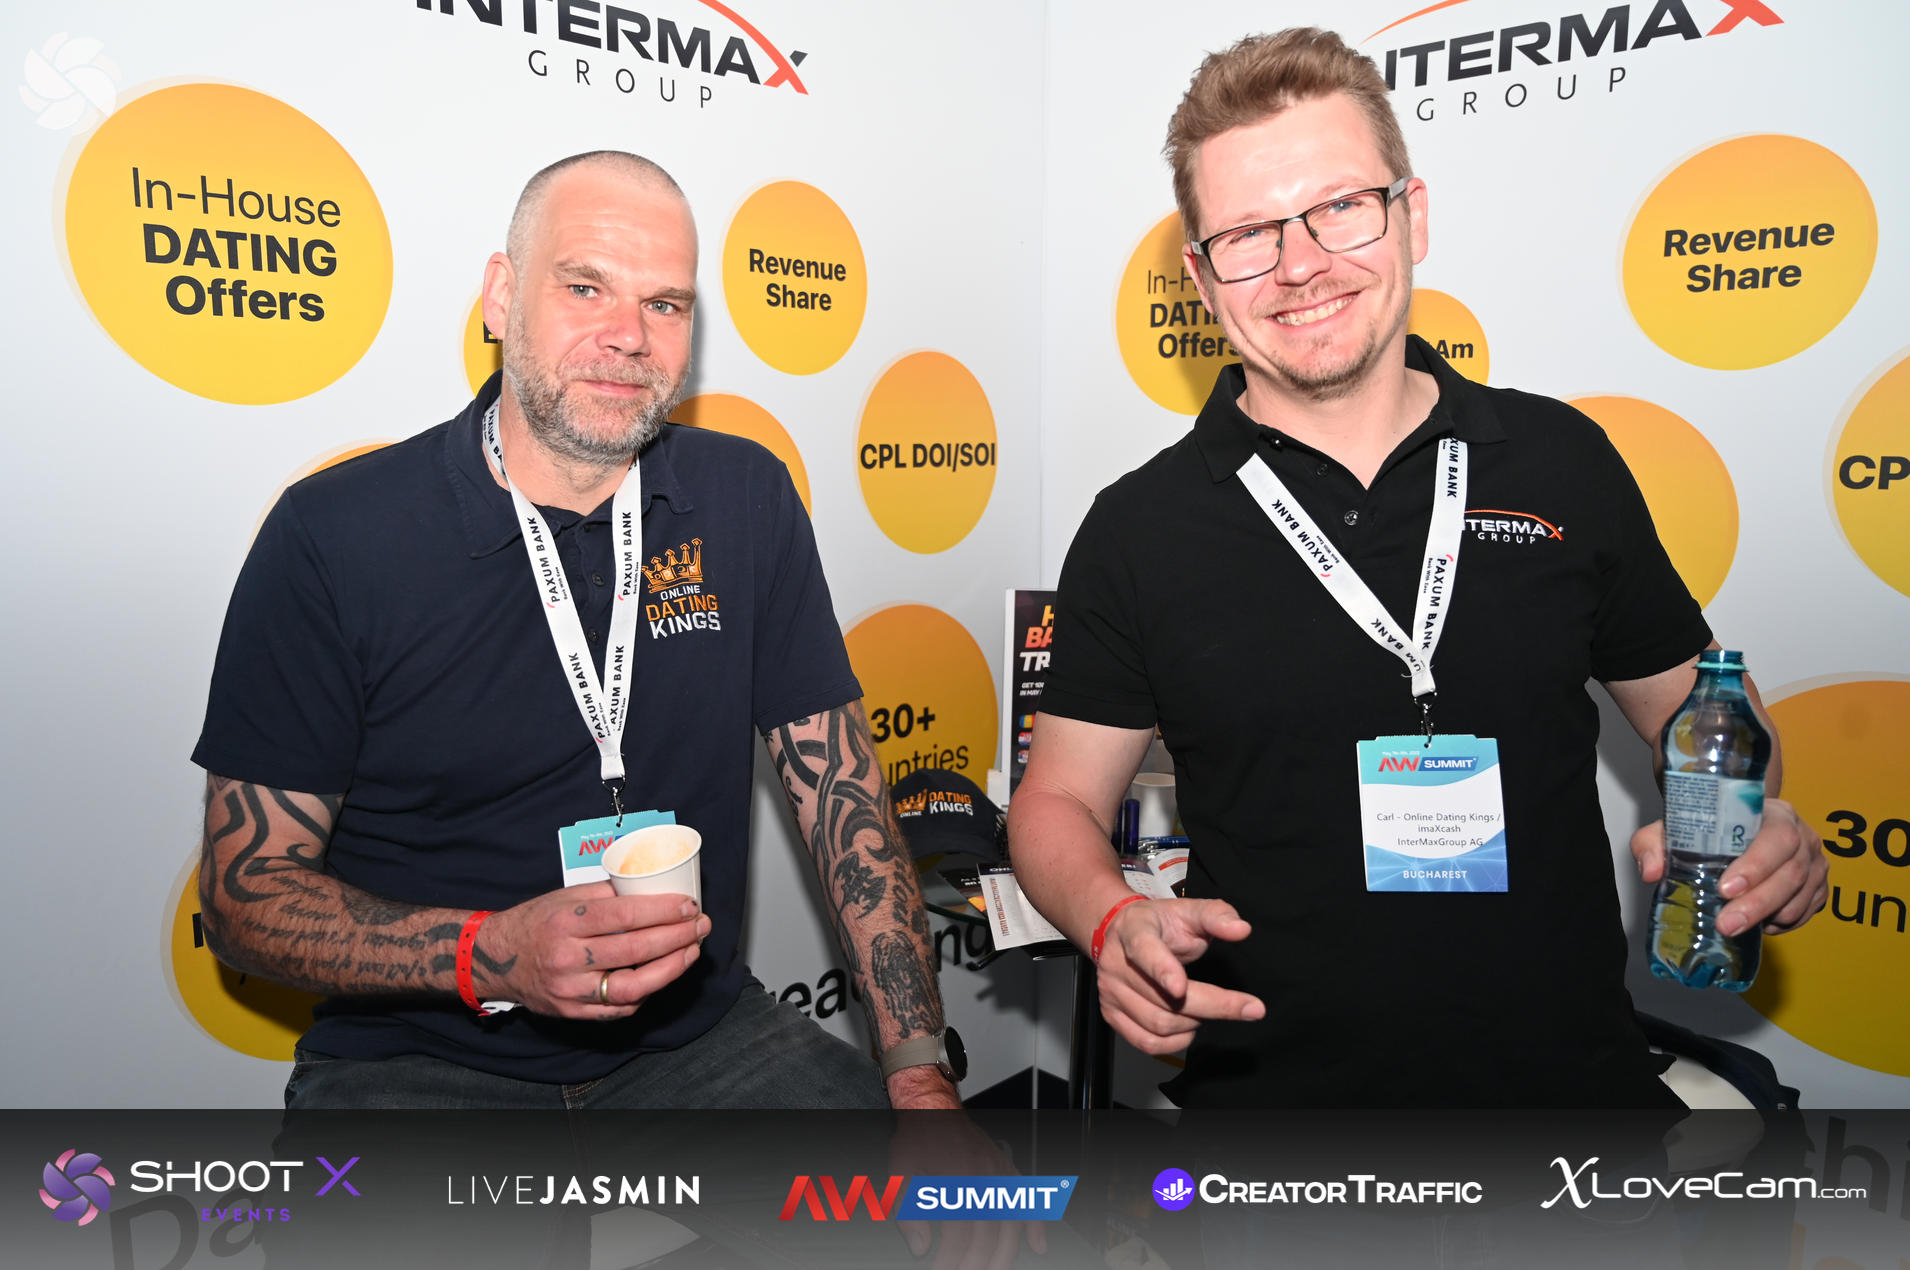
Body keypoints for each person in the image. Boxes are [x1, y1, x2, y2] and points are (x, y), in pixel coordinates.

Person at [1008, 29, 1829, 1108]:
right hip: (1272, 1121)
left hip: (1567, 1105)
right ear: (1202, 280)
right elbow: (1056, 800)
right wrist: (1111, 915)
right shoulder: (1138, 527)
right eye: (1248, 234)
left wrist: (1756, 825)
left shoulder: (1561, 462)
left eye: (1340, 206)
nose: (1300, 263)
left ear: (1412, 216)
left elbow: (1705, 716)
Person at [192, 151, 963, 1111]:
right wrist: (491, 954)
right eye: (585, 287)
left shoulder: (747, 498)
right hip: (418, 1060)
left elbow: (841, 800)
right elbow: (245, 894)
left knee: (933, 1195)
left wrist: (919, 1074)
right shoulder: (336, 533)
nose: (628, 335)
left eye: (664, 304)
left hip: (700, 1040)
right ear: (501, 297)